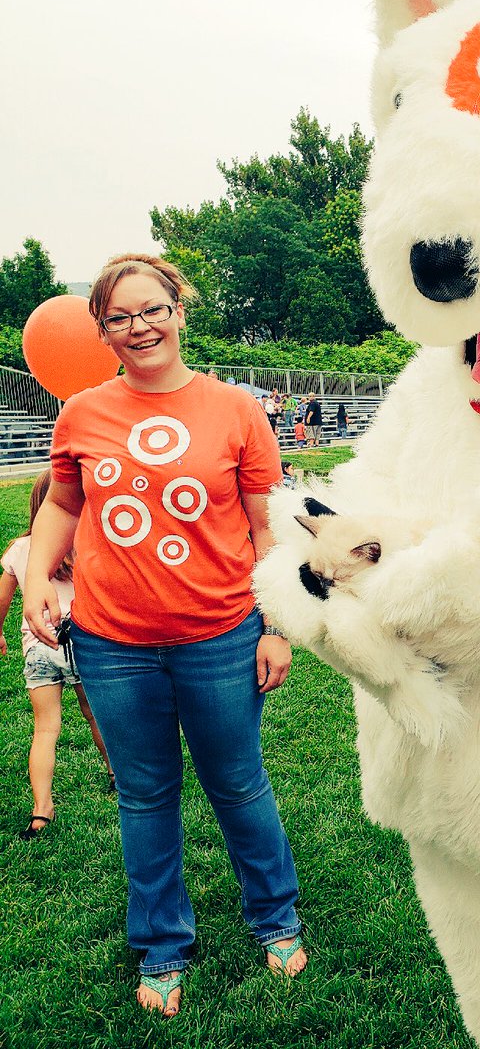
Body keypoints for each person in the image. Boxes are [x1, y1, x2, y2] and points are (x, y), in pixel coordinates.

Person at [23, 254, 306, 1019]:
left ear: (179, 310)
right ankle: (161, 945)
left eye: (152, 309)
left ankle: (275, 916)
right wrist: (40, 574)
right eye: (118, 317)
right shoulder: (83, 413)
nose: (139, 327)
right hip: (111, 644)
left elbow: (268, 528)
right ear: (102, 332)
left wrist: (276, 625)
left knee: (238, 784)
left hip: (221, 636)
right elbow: (64, 504)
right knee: (144, 797)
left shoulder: (236, 410)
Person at [1, 470, 114, 838]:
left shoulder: (19, 550)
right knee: (95, 715)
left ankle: (41, 809)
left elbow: (3, 599)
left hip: (38, 646)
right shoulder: (83, 544)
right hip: (79, 640)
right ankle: (116, 772)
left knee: (45, 728)